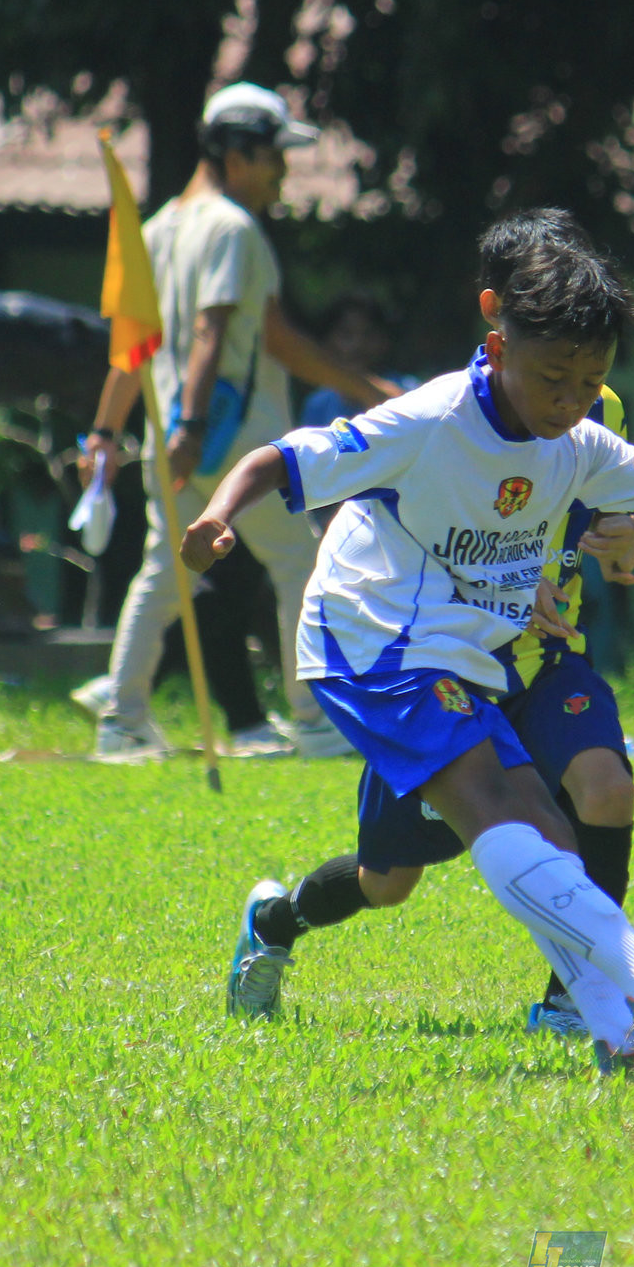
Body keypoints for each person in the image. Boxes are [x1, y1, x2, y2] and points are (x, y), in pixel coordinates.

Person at [189, 215, 634, 1069]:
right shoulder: (430, 419)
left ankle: (618, 1034)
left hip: (474, 655)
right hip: (373, 644)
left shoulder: (581, 441)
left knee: (491, 854)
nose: (570, 400)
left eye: (589, 381)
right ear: (497, 341)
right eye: (553, 377)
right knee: (501, 810)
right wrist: (218, 514)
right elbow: (280, 457)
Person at [77, 83, 399, 763]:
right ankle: (313, 716)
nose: (284, 170)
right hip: (235, 438)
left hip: (179, 443)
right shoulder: (232, 227)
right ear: (238, 151)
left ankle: (122, 717)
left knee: (162, 573)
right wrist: (194, 424)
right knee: (300, 565)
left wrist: (106, 432)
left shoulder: (161, 227)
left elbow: (150, 344)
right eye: (275, 154)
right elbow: (210, 328)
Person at [297, 295, 416, 430]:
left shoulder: (409, 391)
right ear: (327, 341)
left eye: (369, 334)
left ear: (385, 340)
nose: (357, 345)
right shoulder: (319, 405)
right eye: (346, 335)